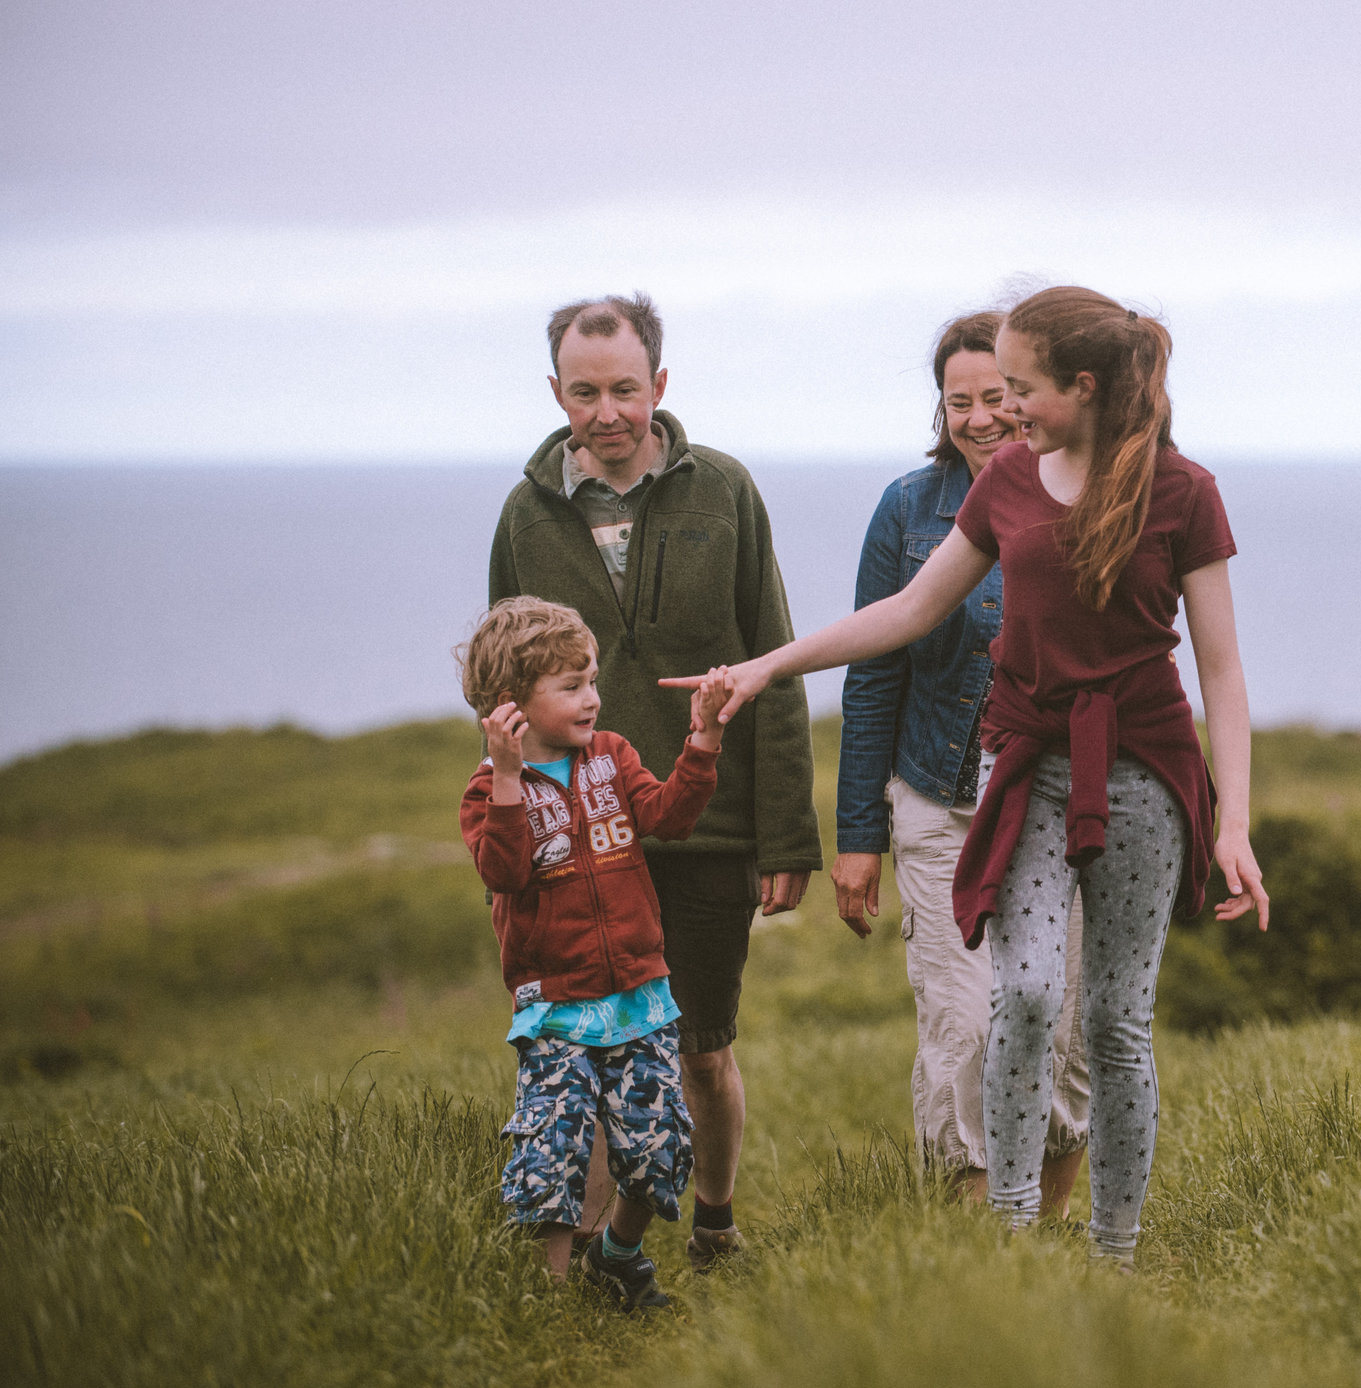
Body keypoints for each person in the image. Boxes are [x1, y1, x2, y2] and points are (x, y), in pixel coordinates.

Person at [673, 285, 1270, 1267]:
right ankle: (1010, 1238)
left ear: (1083, 386)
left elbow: (1223, 669)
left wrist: (1232, 823)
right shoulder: (1007, 484)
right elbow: (908, 611)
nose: (1006, 409)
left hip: (1143, 776)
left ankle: (1114, 1254)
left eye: (1022, 387)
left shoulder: (1183, 491)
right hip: (1024, 766)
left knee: (1114, 1023)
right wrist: (767, 665)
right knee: (1024, 995)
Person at [488, 294, 822, 1271]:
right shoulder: (524, 516)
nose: (607, 412)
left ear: (659, 386)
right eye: (584, 392)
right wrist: (512, 825)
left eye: (625, 389)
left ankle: (714, 1225)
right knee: (586, 1048)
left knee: (702, 1045)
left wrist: (786, 835)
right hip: (576, 842)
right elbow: (502, 678)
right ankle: (590, 1256)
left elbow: (774, 657)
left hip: (708, 826)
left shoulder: (725, 491)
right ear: (557, 392)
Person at [835, 312, 1089, 1212]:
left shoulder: (1085, 498)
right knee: (965, 1027)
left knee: (1059, 1031)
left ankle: (1045, 1241)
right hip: (938, 803)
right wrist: (858, 835)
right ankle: (971, 1249)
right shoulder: (907, 510)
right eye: (959, 402)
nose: (980, 418)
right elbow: (873, 674)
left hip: (1060, 807)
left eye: (997, 396)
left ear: (1031, 395)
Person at [455, 594, 738, 1310]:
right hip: (555, 1009)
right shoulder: (487, 791)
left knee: (658, 1145)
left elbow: (670, 816)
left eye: (592, 680)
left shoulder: (611, 756)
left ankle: (616, 1256)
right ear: (511, 706)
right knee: (552, 1152)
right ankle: (548, 1310)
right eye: (572, 685)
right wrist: (510, 778)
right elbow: (504, 873)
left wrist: (703, 739)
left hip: (641, 996)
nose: (593, 698)